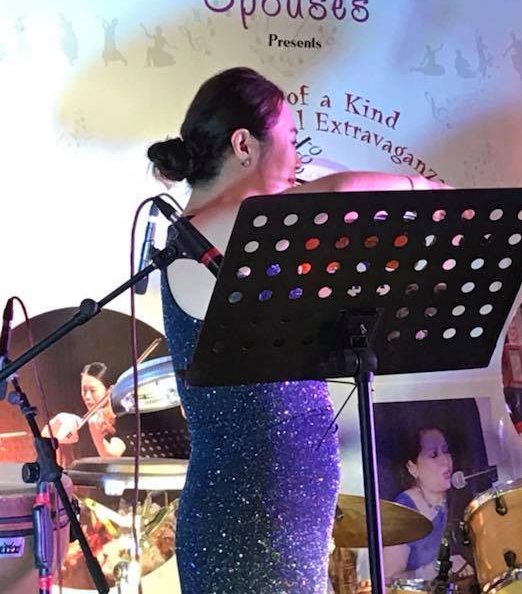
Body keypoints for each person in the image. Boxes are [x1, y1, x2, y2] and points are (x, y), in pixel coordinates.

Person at [146, 66, 446, 594]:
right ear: (243, 144)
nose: (298, 159)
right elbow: (341, 192)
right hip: (247, 519)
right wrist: (425, 188)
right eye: (289, 139)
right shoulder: (214, 228)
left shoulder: (243, 233)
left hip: (280, 513)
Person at [382, 427, 467, 583]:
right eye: (434, 455)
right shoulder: (403, 513)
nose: (445, 461)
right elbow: (388, 582)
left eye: (446, 451)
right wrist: (437, 568)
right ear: (412, 468)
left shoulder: (459, 500)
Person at [45, 362, 127, 458]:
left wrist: (96, 433)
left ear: (109, 390)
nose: (87, 396)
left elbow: (113, 458)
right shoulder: (82, 418)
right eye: (84, 390)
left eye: (93, 390)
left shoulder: (122, 419)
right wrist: (58, 422)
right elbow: (45, 439)